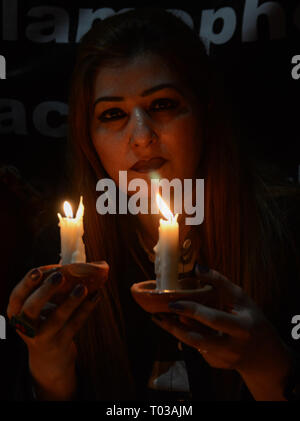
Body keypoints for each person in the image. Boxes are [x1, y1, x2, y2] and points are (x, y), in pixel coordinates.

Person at [6, 8, 300, 401]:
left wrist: (268, 366)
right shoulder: (61, 258)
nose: (142, 137)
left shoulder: (288, 233)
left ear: (204, 113)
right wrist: (49, 367)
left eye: (162, 104)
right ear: (87, 139)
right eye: (113, 114)